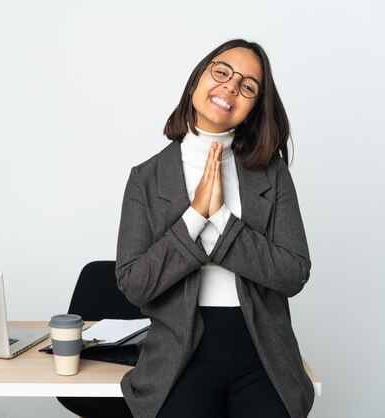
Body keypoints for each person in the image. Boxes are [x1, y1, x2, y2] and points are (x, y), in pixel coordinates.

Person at [115, 38, 314, 418]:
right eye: (221, 72)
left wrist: (221, 218)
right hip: (178, 357)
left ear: (253, 108)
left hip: (263, 355)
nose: (230, 87)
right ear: (196, 82)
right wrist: (194, 216)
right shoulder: (146, 178)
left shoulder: (272, 174)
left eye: (248, 86)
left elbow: (294, 274)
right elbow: (134, 284)